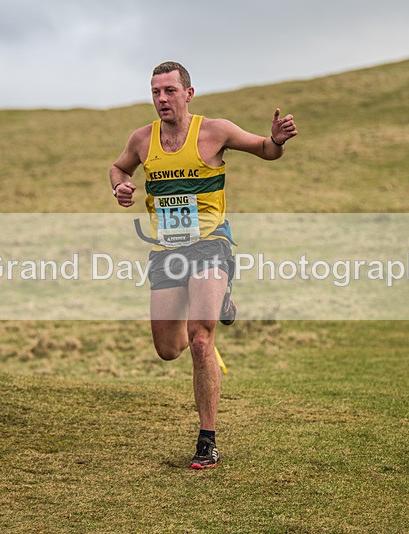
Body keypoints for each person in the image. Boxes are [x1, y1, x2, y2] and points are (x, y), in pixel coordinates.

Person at [109, 61, 298, 469]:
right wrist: (120, 186)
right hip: (166, 251)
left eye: (170, 91)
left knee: (200, 339)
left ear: (188, 94)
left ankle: (207, 439)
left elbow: (266, 151)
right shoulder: (142, 139)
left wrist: (276, 140)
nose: (162, 98)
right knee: (168, 348)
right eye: (156, 91)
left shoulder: (215, 131)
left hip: (211, 245)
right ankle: (217, 306)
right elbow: (119, 167)